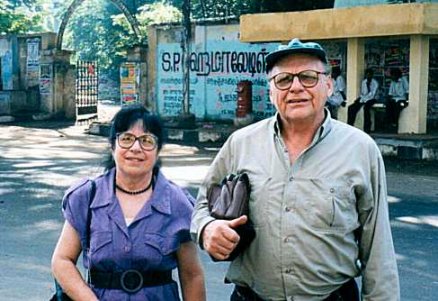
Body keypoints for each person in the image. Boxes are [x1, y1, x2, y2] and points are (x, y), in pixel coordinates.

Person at [191, 38, 400, 301]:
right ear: (271, 91)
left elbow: (377, 244)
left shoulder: (360, 149)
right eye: (284, 80)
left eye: (308, 77)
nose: (296, 87)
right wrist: (207, 229)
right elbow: (201, 204)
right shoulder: (241, 143)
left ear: (329, 85)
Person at [52, 105, 206, 300]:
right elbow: (62, 260)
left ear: (157, 151)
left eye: (147, 141)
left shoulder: (178, 203)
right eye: (126, 139)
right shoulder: (87, 196)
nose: (135, 148)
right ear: (112, 146)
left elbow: (192, 275)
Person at [347, 68, 379, 133]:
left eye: (370, 75)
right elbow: (363, 93)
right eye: (367, 75)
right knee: (351, 107)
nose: (368, 76)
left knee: (366, 108)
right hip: (364, 98)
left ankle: (367, 128)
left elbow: (372, 94)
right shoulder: (364, 82)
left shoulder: (375, 83)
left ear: (372, 75)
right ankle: (350, 126)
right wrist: (362, 100)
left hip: (373, 98)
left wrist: (365, 99)